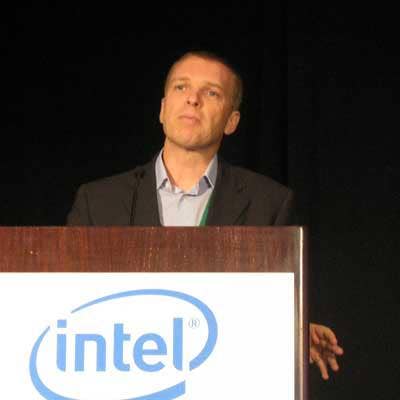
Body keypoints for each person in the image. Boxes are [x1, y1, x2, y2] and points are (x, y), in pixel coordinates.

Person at [67, 50, 344, 379]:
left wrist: (291, 329)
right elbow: (71, 306)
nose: (193, 99)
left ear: (231, 121)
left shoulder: (269, 203)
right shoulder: (98, 201)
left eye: (211, 93)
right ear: (162, 109)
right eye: (181, 87)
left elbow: (265, 310)